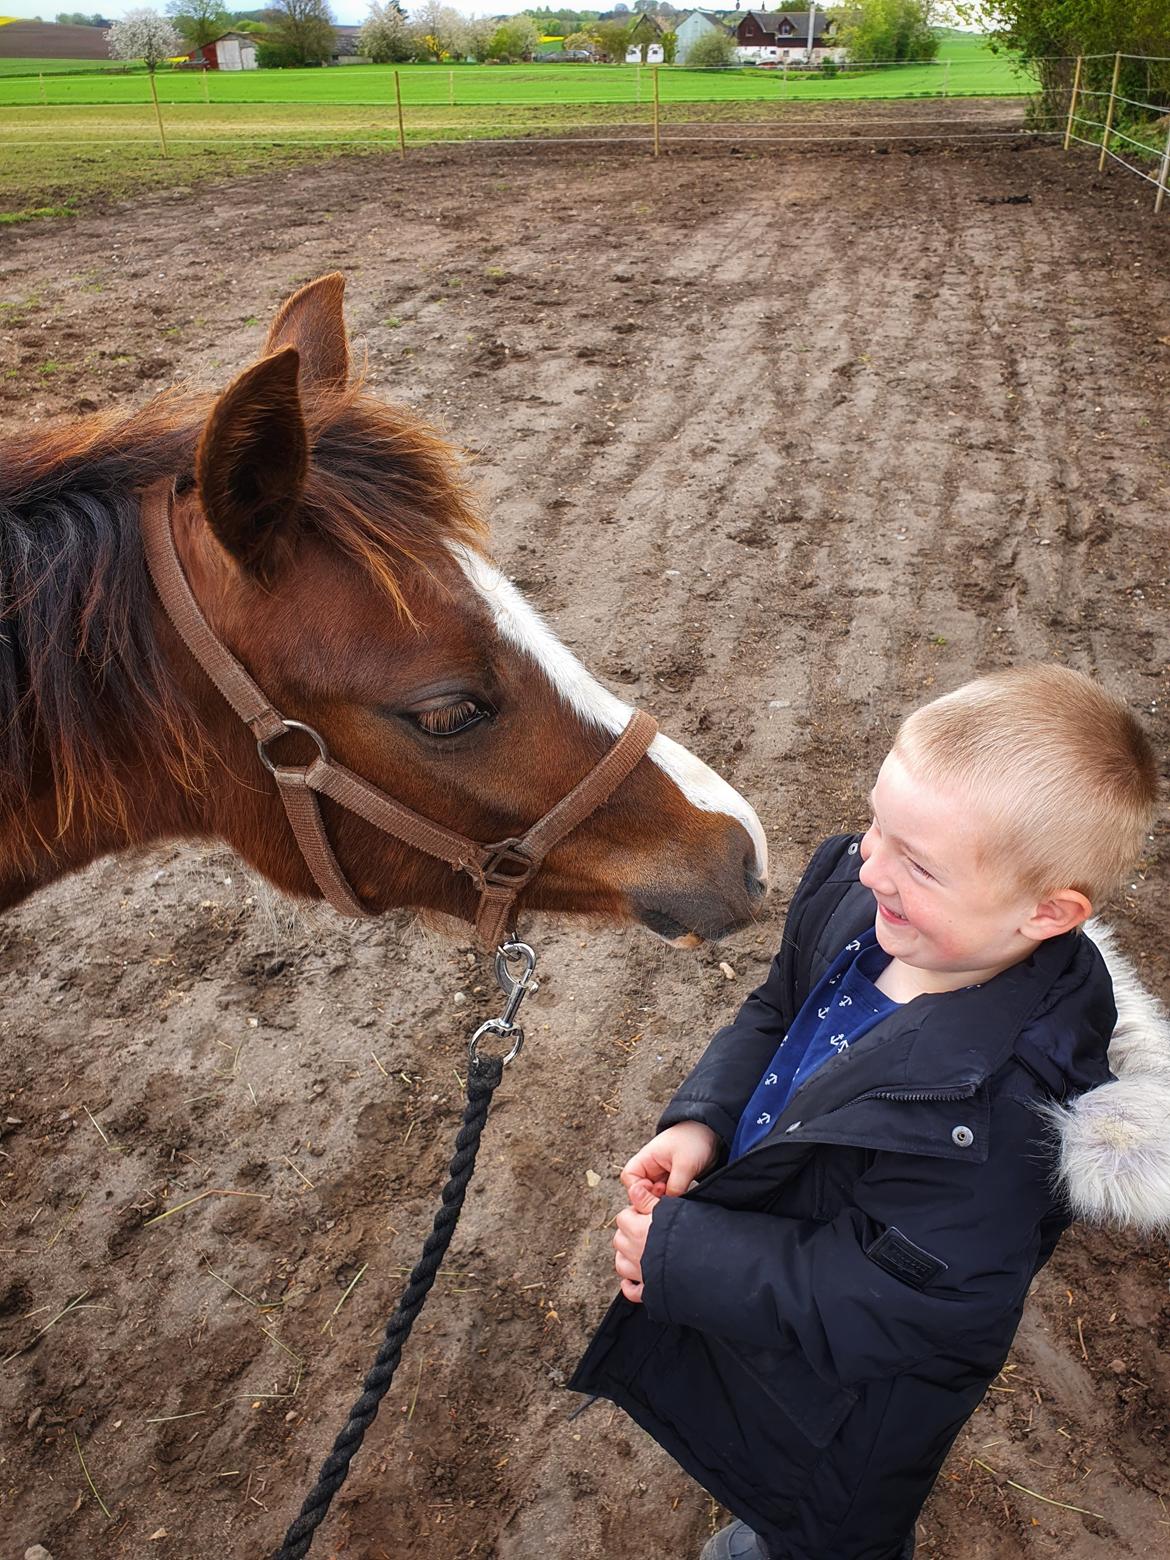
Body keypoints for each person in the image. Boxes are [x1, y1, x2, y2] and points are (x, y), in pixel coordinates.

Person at [570, 664, 1169, 1560]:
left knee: (820, 1522)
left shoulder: (1004, 1114)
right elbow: (777, 1008)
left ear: (1049, 911)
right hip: (771, 1279)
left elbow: (912, 1307)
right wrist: (704, 1120)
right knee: (754, 1439)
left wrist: (686, 1255)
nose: (871, 865)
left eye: (917, 863)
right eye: (877, 824)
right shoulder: (865, 902)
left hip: (856, 1412)